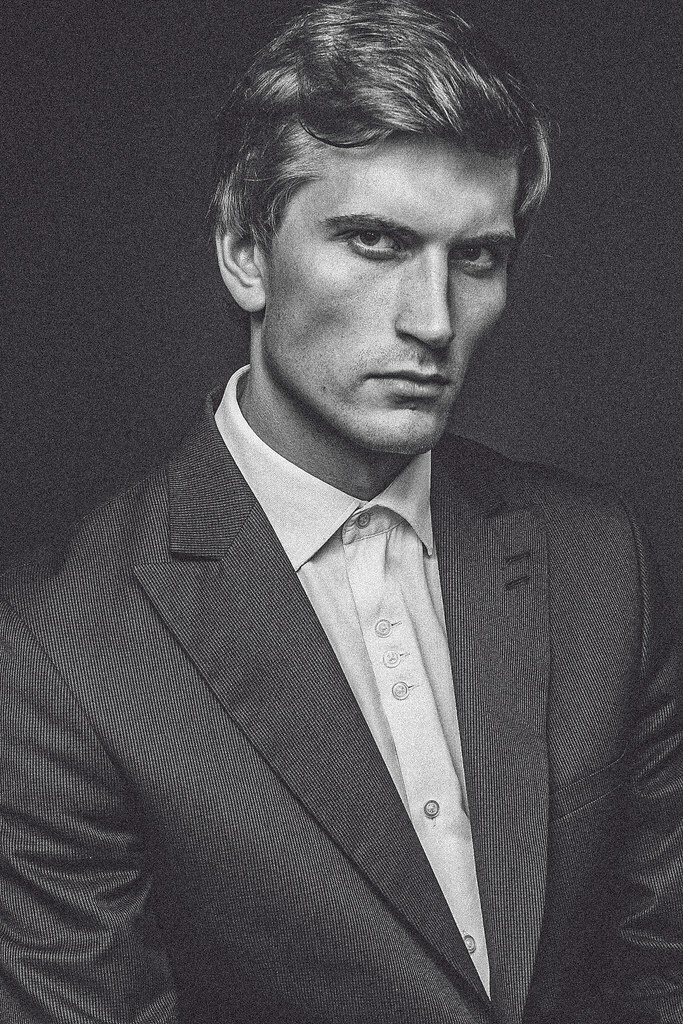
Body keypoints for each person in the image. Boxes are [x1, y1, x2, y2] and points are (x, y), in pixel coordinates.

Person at [1, 1, 681, 1021]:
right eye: (374, 241)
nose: (432, 319)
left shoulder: (601, 564)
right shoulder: (59, 650)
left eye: (476, 257)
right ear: (244, 249)